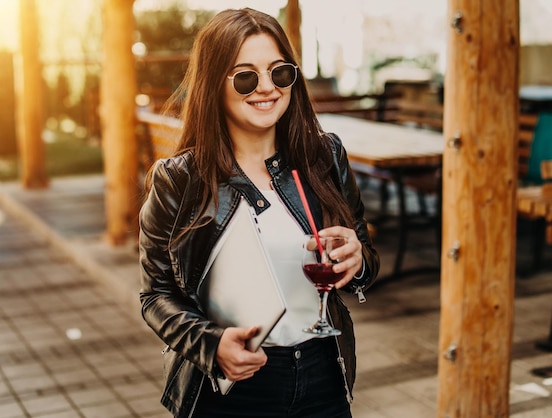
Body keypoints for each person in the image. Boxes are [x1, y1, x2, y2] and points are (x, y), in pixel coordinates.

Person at [139, 7, 379, 418]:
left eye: (279, 72)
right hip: (230, 390)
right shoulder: (179, 179)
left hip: (323, 374)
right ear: (214, 84)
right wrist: (210, 345)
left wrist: (357, 262)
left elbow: (367, 264)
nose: (266, 88)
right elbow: (155, 295)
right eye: (246, 76)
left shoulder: (325, 157)